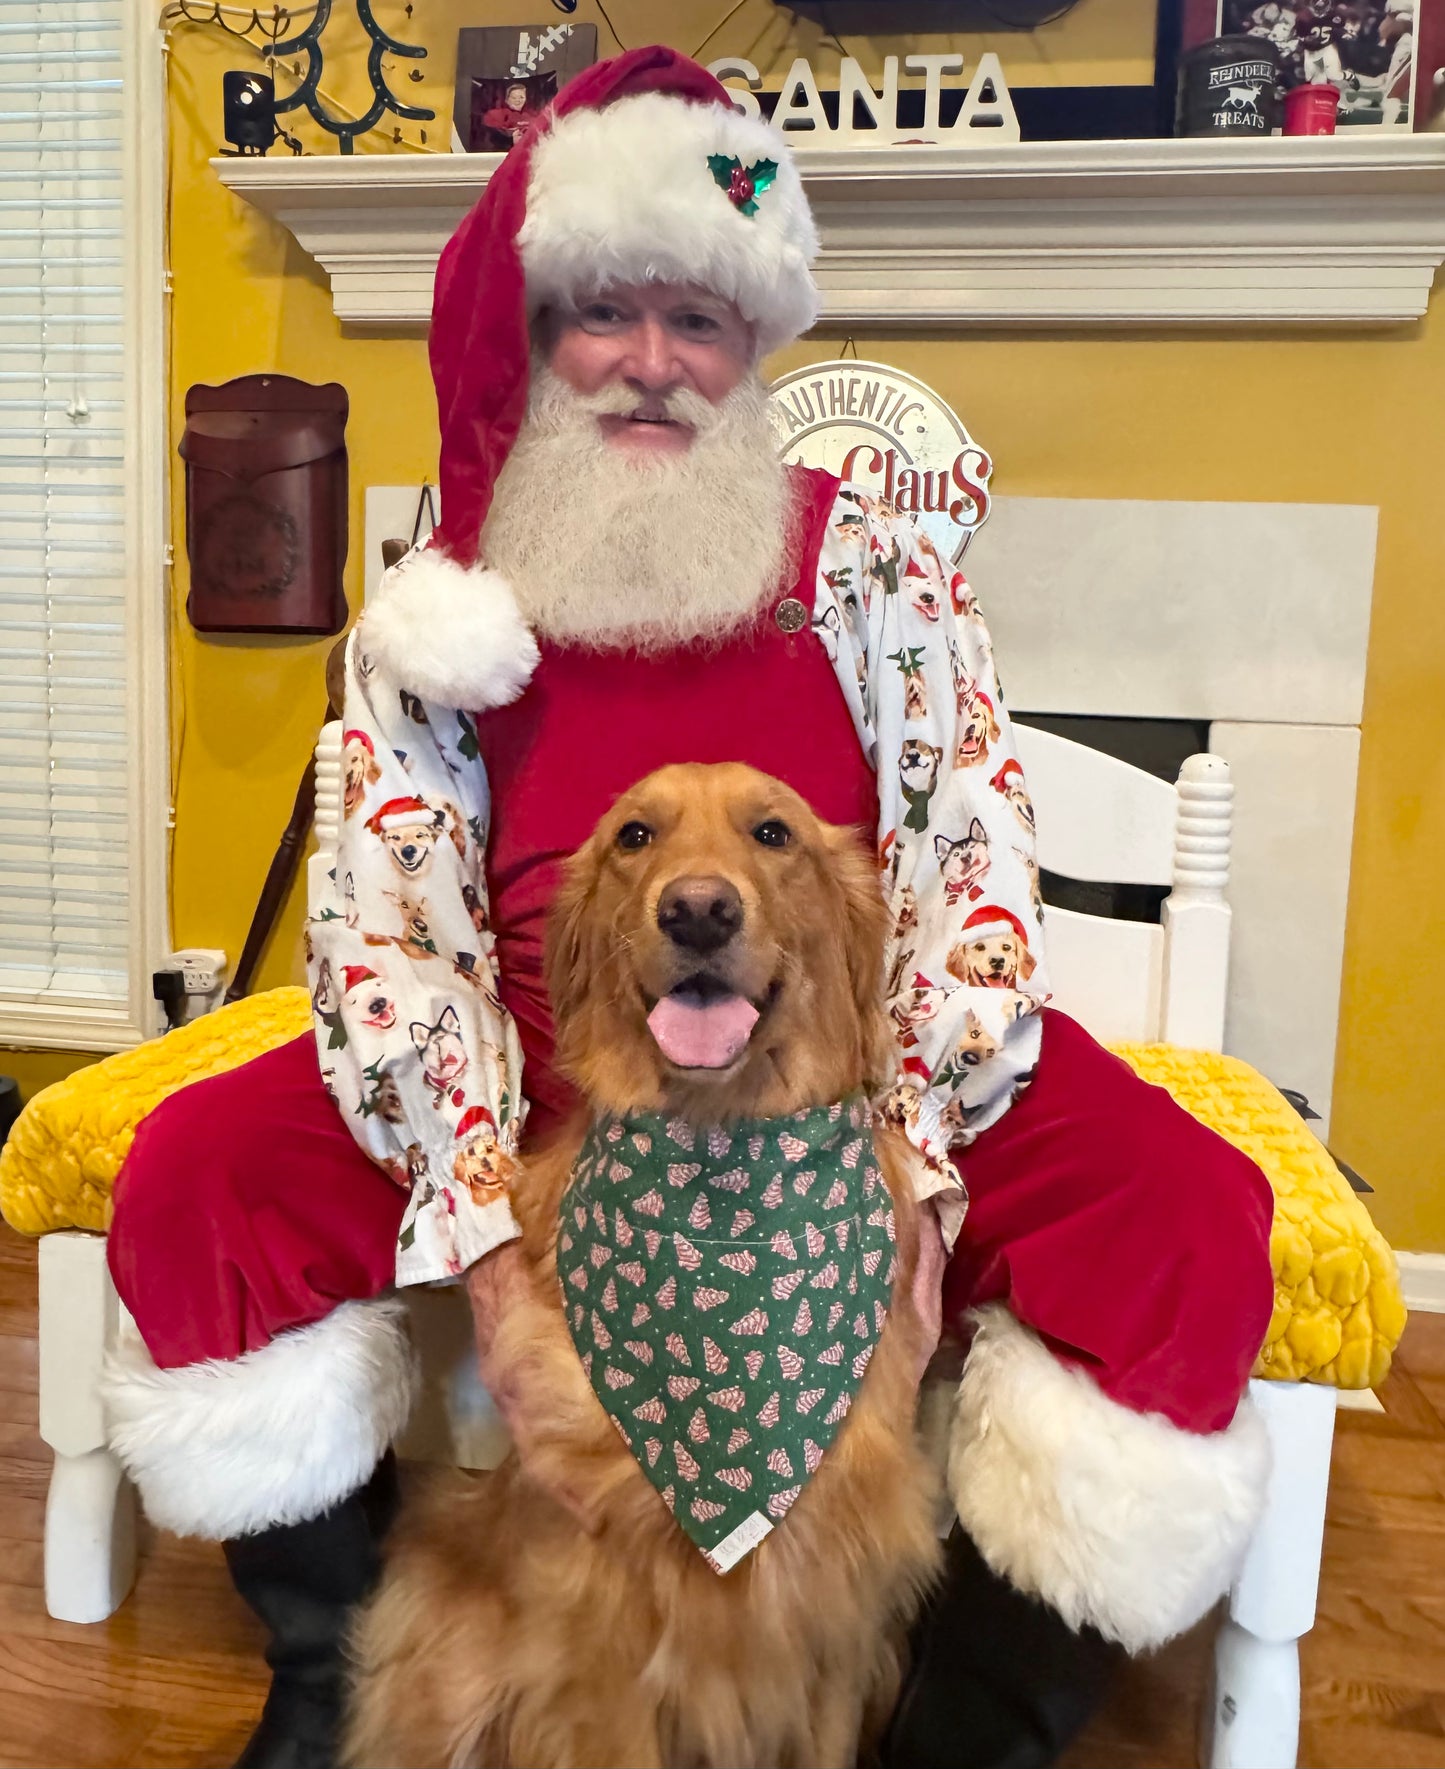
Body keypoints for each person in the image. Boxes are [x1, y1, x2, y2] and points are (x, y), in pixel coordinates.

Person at [102, 47, 1274, 1769]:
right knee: (193, 1186)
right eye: (604, 314)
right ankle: (329, 1661)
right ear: (537, 332)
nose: (653, 365)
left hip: (855, 1073)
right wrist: (492, 1240)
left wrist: (919, 1163)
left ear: (752, 347)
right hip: (533, 1078)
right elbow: (387, 936)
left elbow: (971, 848)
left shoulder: (869, 556)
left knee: (1183, 1218)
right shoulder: (451, 602)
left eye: (700, 321)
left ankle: (968, 1720)